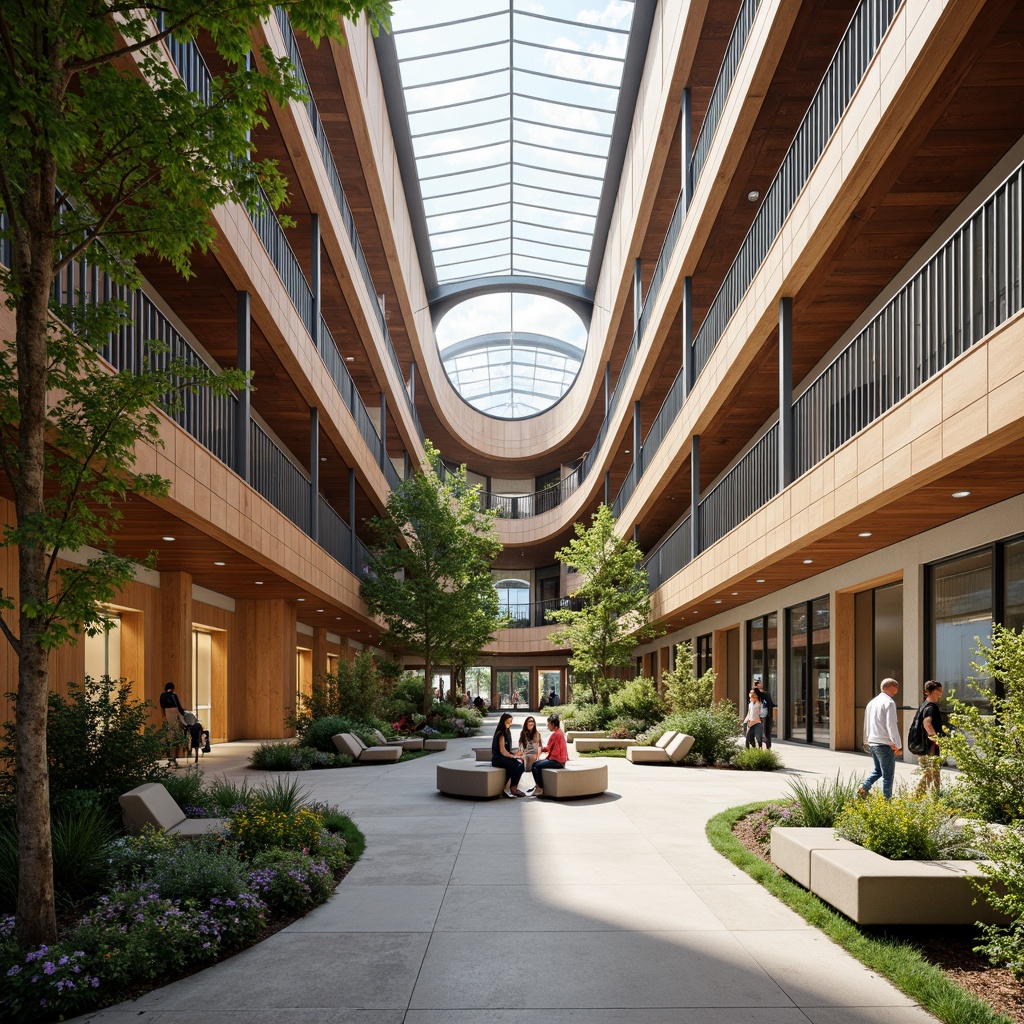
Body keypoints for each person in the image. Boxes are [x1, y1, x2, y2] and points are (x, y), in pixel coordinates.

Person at [859, 678, 902, 799]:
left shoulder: (871, 703)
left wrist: (867, 741)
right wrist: (897, 745)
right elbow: (891, 725)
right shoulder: (889, 702)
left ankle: (864, 787)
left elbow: (866, 724)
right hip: (884, 743)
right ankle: (886, 802)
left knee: (878, 770)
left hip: (873, 742)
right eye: (895, 689)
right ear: (890, 687)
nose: (896, 692)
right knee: (888, 776)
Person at [915, 680, 945, 794]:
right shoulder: (932, 707)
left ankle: (927, 798)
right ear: (931, 691)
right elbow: (927, 724)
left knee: (929, 773)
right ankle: (922, 798)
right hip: (930, 747)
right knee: (932, 774)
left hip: (922, 746)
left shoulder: (923, 706)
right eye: (939, 691)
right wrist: (936, 741)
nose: (941, 694)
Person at [531, 713, 568, 797]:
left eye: (548, 724)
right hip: (561, 760)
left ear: (553, 724)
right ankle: (538, 787)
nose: (547, 726)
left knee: (535, 765)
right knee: (539, 764)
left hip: (557, 761)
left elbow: (547, 748)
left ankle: (539, 788)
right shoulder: (560, 732)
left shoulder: (555, 734)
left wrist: (538, 748)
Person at [491, 712, 526, 798]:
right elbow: (502, 751)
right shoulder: (501, 733)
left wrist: (516, 754)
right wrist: (514, 756)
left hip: (504, 757)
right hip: (498, 758)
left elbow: (508, 750)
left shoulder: (508, 732)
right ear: (503, 721)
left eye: (511, 721)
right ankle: (511, 788)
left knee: (521, 765)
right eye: (508, 721)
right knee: (513, 765)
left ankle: (514, 786)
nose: (510, 723)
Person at [159, 681, 185, 766]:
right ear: (173, 688)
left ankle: (170, 758)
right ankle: (174, 758)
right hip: (174, 718)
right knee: (175, 738)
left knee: (169, 738)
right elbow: (179, 707)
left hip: (166, 717)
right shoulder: (174, 696)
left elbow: (162, 706)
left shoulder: (162, 696)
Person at [753, 679, 775, 748]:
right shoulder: (754, 694)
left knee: (767, 732)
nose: (758, 685)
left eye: (759, 683)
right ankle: (758, 747)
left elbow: (770, 704)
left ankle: (768, 747)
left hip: (765, 716)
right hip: (756, 716)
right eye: (756, 683)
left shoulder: (766, 694)